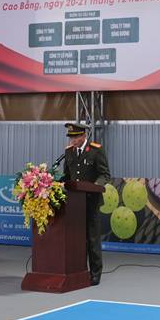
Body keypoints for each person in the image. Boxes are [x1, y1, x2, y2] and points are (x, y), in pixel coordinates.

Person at [60, 122, 111, 285]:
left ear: (83, 136)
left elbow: (105, 174)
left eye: (75, 137)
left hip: (91, 201)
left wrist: (96, 186)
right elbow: (67, 175)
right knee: (77, 238)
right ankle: (79, 270)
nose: (72, 141)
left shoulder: (96, 150)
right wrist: (58, 183)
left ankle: (95, 273)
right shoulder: (69, 152)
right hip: (74, 204)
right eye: (71, 138)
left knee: (92, 238)